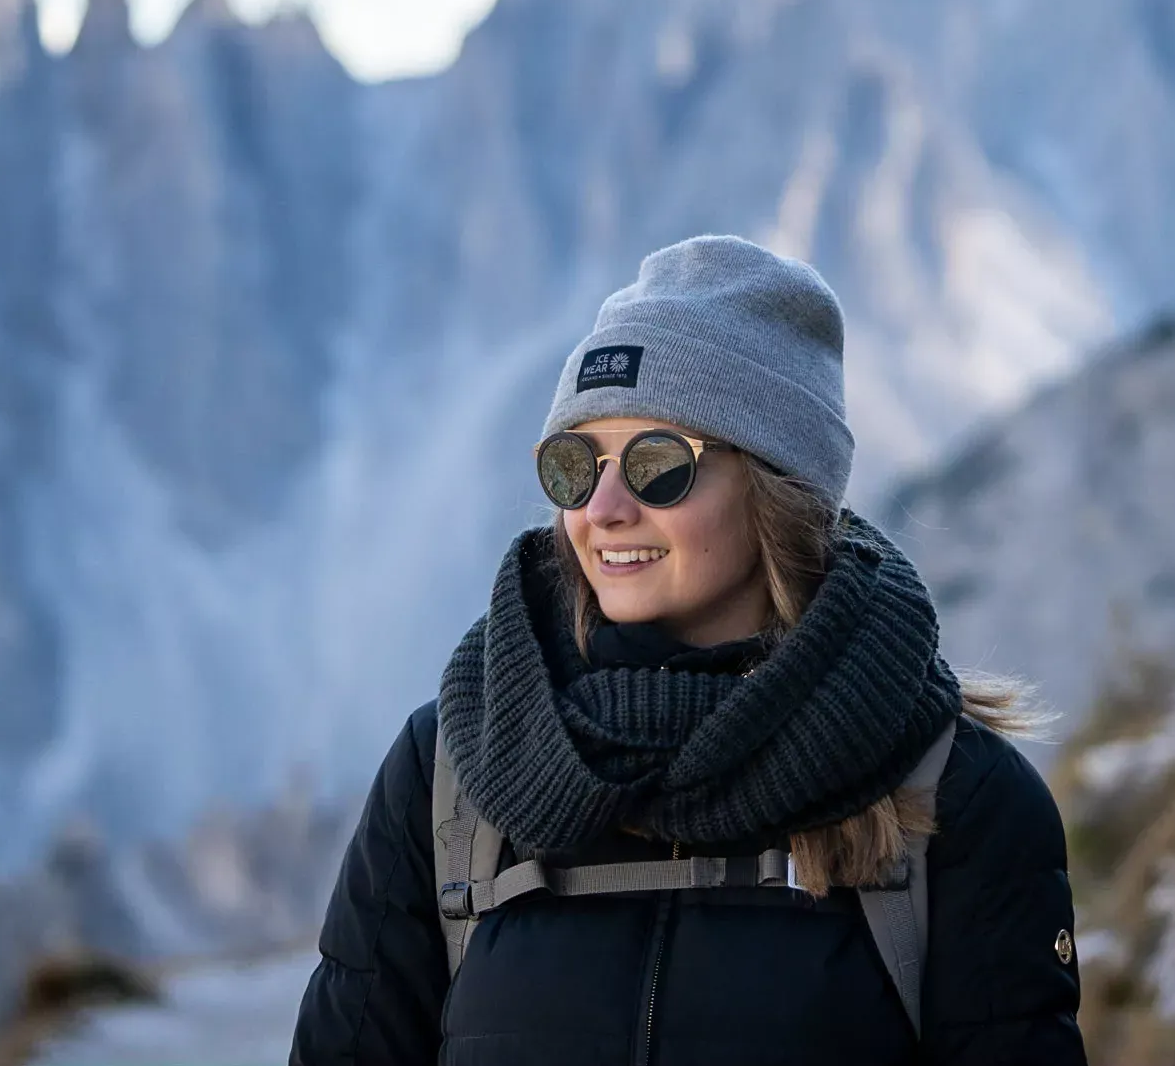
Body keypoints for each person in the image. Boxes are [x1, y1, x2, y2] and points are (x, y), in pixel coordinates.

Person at [289, 234, 1087, 1064]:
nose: (603, 507)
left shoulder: (956, 794)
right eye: (574, 462)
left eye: (657, 462)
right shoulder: (453, 770)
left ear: (777, 483)